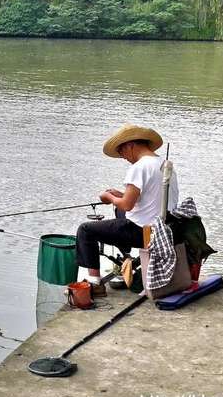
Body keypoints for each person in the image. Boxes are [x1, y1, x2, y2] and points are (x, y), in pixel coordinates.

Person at [75, 124, 178, 297]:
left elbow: (126, 205)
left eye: (121, 152)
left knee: (85, 231)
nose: (123, 157)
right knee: (119, 212)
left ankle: (95, 283)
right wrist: (119, 195)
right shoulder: (164, 164)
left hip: (144, 231)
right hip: (166, 228)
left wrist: (109, 197)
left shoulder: (138, 167)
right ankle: (127, 258)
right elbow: (147, 197)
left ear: (130, 145)